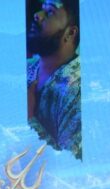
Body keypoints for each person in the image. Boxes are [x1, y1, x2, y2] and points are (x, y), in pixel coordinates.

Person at [27, 0, 81, 159]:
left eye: (50, 12)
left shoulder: (78, 90)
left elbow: (71, 164)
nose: (37, 15)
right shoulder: (26, 68)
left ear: (70, 33)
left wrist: (29, 119)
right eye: (41, 9)